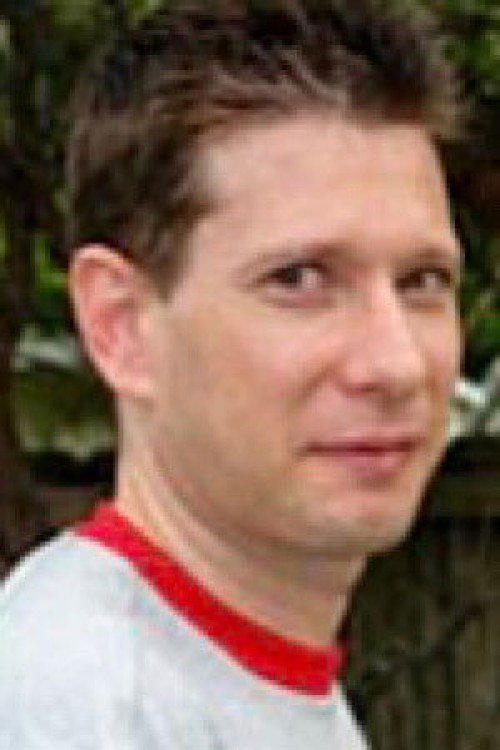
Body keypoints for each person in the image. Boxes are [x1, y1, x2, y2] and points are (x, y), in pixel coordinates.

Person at [0, 1, 464, 747]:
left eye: (423, 281)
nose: (397, 363)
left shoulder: (236, 683)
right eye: (300, 279)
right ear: (121, 325)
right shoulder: (77, 706)